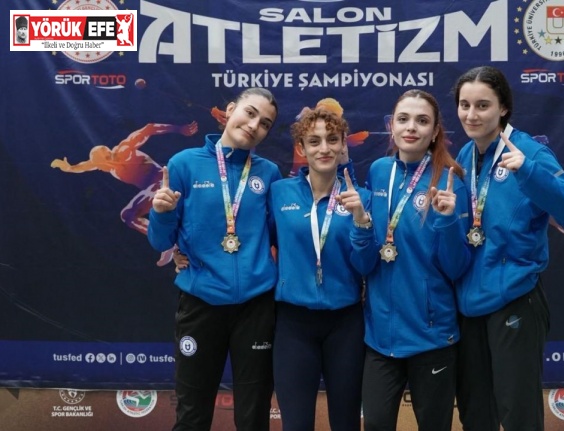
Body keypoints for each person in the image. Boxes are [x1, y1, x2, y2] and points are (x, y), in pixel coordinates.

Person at [452, 65, 564, 431]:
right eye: (464, 105)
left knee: (519, 417)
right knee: (475, 415)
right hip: (468, 307)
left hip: (514, 301)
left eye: (482, 105)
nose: (471, 115)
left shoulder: (528, 152)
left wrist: (529, 172)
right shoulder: (465, 156)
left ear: (503, 108)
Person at [148, 87, 280, 431]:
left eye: (265, 123)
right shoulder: (184, 164)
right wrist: (161, 213)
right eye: (250, 113)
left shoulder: (268, 174)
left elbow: (281, 235)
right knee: (192, 414)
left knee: (253, 416)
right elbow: (160, 241)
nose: (254, 125)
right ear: (230, 109)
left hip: (256, 307)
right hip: (200, 303)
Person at [345, 89, 471, 431]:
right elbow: (365, 263)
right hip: (380, 338)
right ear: (392, 126)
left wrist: (447, 221)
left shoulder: (449, 180)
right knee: (375, 423)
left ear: (435, 131)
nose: (411, 127)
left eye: (422, 120)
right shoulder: (379, 171)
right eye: (403, 119)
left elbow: (457, 268)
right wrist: (361, 224)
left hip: (432, 336)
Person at [270, 107, 370, 431]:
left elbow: (367, 265)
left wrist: (360, 221)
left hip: (346, 324)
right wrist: (182, 251)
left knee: (346, 423)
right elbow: (251, 240)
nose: (324, 148)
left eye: (332, 139)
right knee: (296, 425)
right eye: (314, 141)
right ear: (301, 148)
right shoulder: (279, 193)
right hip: (293, 325)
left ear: (343, 145)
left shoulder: (361, 198)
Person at [51, 121, 198, 266]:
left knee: (133, 212)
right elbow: (84, 166)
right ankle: (168, 240)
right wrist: (69, 168)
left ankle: (168, 238)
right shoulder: (104, 164)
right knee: (128, 215)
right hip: (152, 189)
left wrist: (179, 129)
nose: (105, 166)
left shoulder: (124, 150)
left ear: (109, 154)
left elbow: (149, 128)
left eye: (106, 161)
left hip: (163, 181)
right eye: (101, 166)